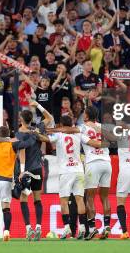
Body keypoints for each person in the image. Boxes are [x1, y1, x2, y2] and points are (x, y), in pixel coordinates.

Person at [41, 102, 101, 239]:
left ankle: (67, 228)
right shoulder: (78, 134)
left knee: (64, 200)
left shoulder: (60, 135)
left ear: (62, 125)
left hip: (66, 171)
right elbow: (93, 142)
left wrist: (36, 134)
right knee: (80, 199)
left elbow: (46, 139)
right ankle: (81, 228)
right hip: (79, 170)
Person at [79, 105, 111, 240]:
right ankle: (107, 226)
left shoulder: (82, 128)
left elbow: (91, 143)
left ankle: (92, 228)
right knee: (105, 197)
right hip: (107, 163)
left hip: (93, 163)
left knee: (90, 197)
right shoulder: (102, 126)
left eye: (84, 114)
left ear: (86, 116)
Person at [17, 106, 47, 240]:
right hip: (38, 169)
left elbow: (22, 151)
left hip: (27, 170)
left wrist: (22, 171)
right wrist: (37, 104)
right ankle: (39, 227)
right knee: (37, 198)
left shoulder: (20, 133)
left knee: (24, 199)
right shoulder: (37, 130)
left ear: (21, 119)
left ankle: (29, 229)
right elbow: (50, 118)